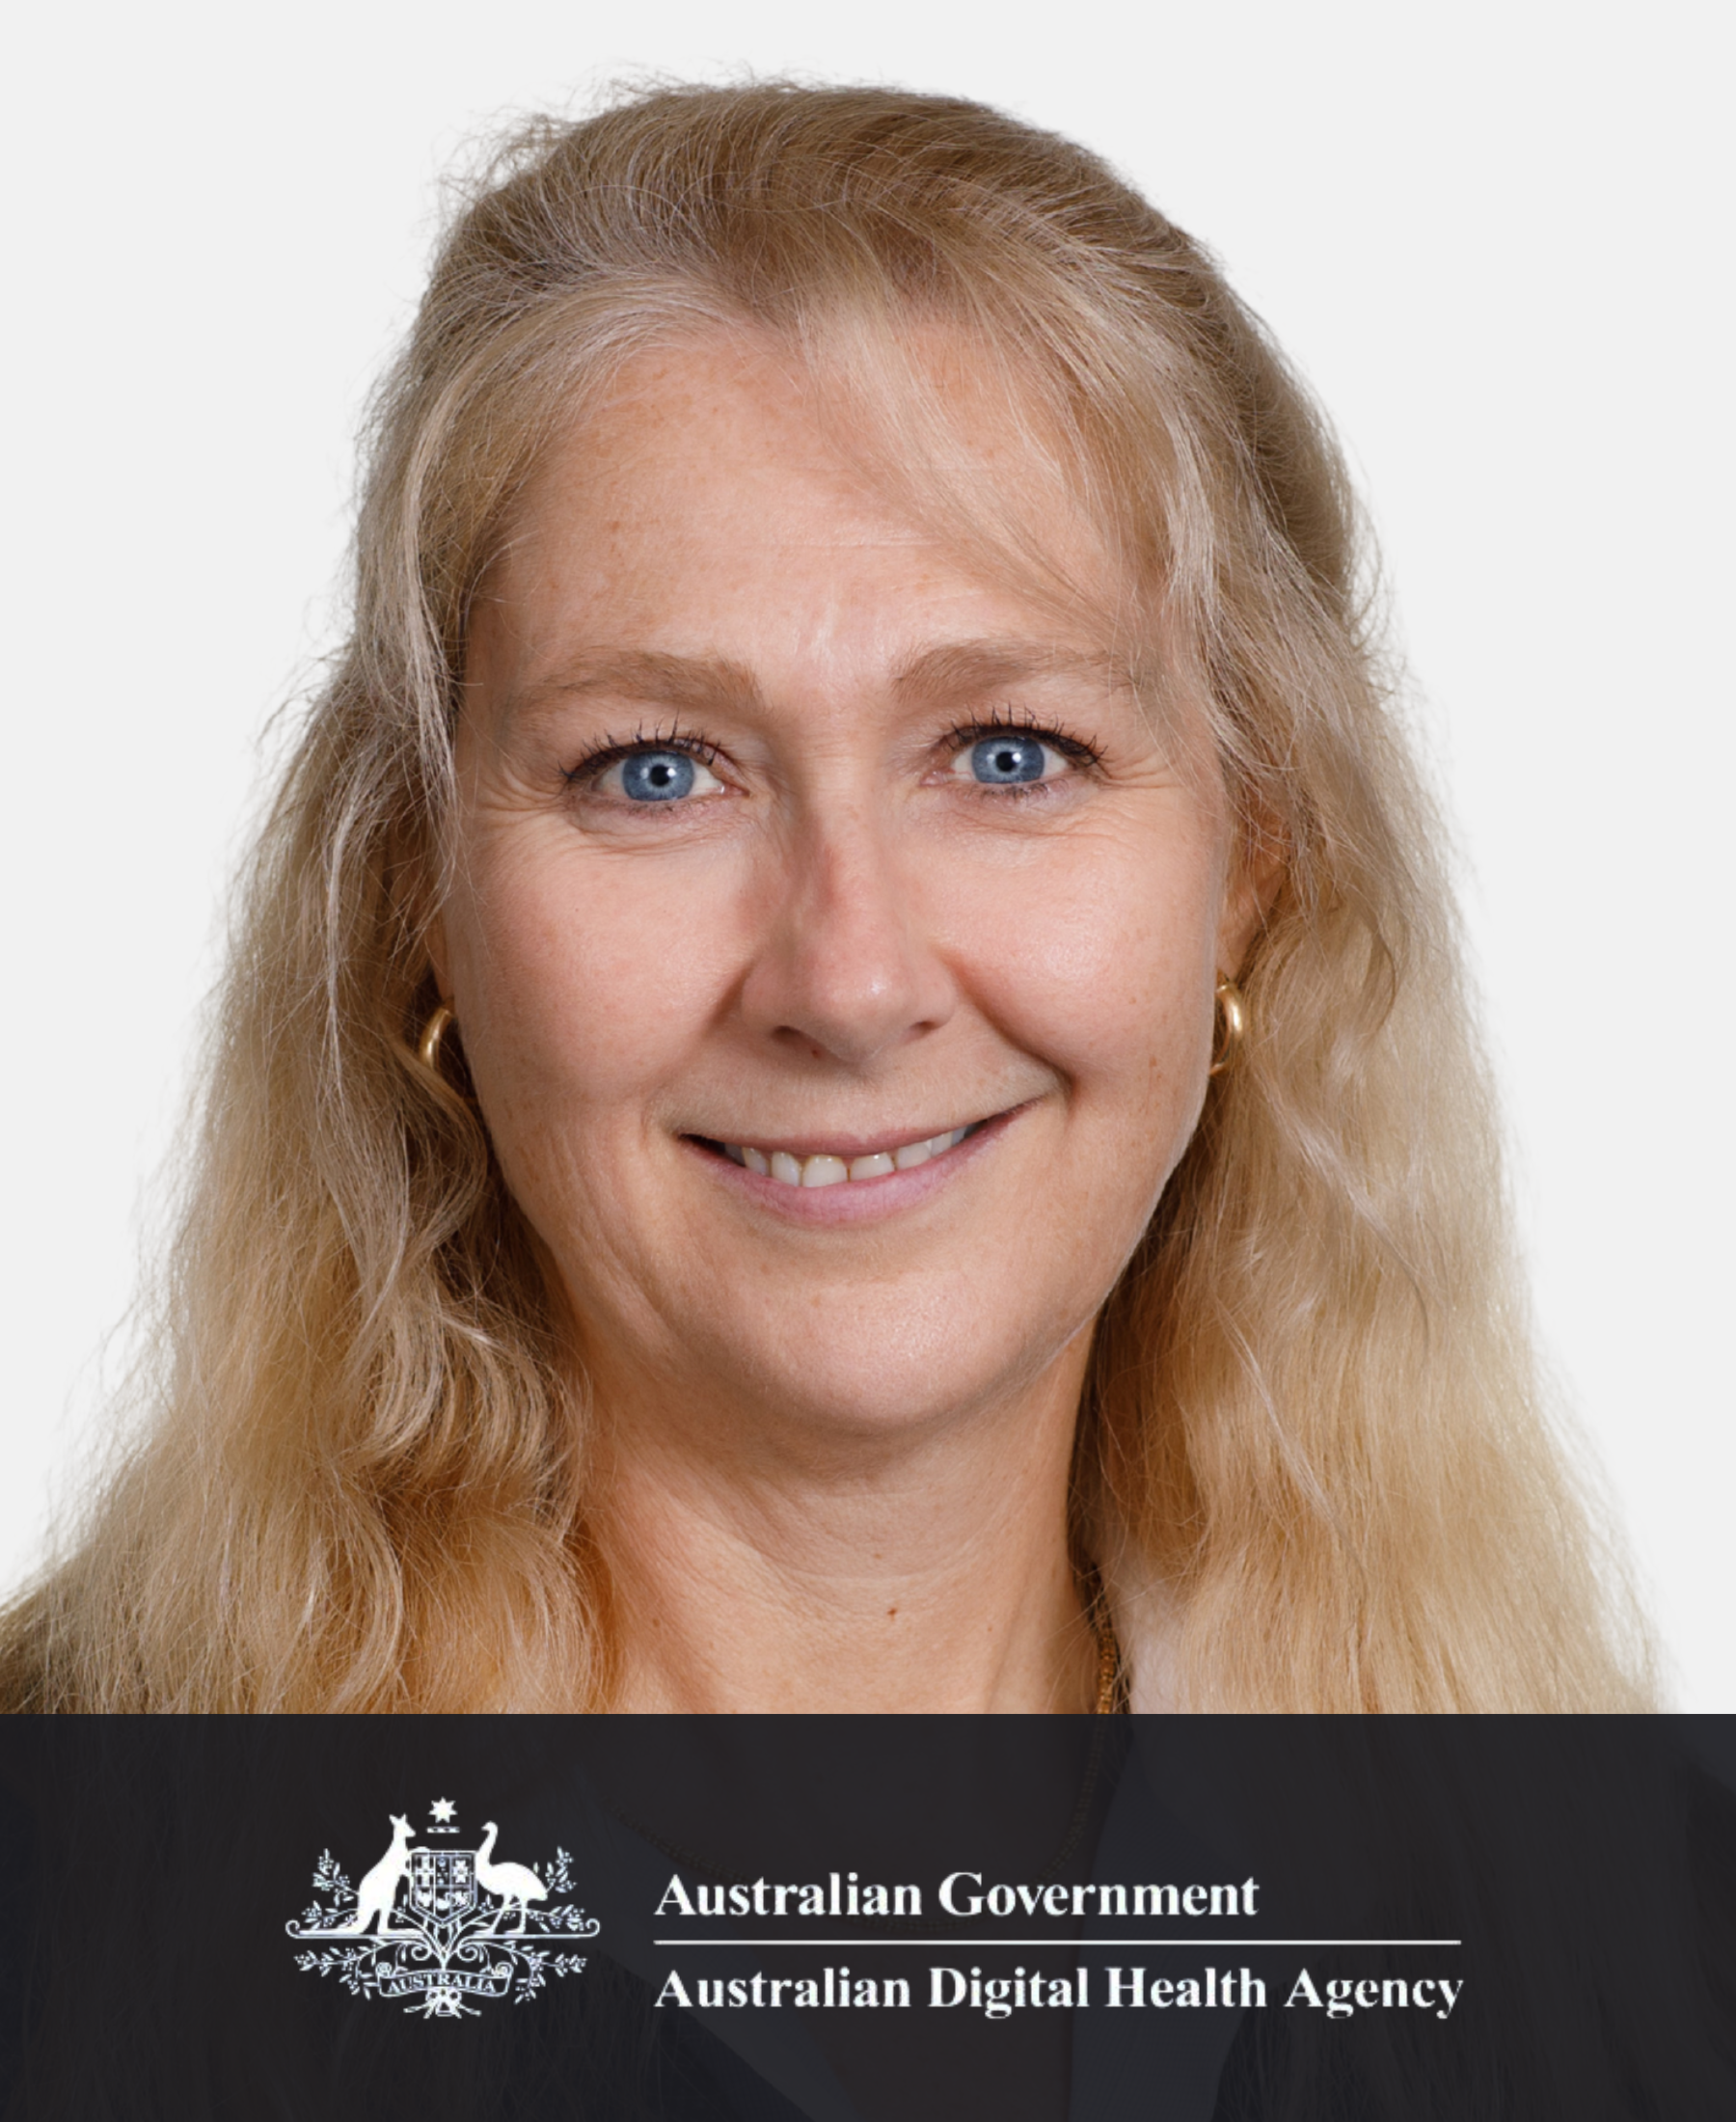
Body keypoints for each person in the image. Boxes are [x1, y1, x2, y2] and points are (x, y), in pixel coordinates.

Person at [0, 80, 1652, 1714]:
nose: (849, 981)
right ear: (417, 894)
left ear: (1251, 872)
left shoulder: (1587, 1926)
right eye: (656, 770)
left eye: (1010, 755)